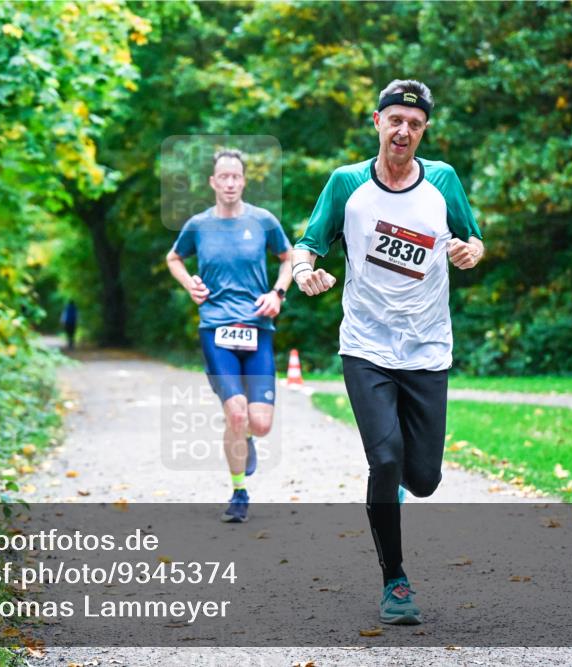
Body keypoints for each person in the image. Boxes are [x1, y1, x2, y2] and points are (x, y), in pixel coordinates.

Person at [292, 79, 484, 624]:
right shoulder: (346, 182)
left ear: (424, 130)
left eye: (415, 123)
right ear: (377, 121)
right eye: (395, 119)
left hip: (427, 348)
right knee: (385, 459)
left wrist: (471, 252)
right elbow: (309, 242)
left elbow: (474, 239)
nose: (403, 130)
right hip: (366, 346)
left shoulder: (442, 180)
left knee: (422, 480)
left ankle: (395, 482)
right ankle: (395, 581)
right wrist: (306, 272)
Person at [166, 149, 292, 523]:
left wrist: (277, 294)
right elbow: (174, 258)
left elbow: (288, 258)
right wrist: (191, 284)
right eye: (224, 177)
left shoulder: (263, 221)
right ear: (213, 182)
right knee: (236, 414)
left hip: (258, 329)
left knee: (261, 424)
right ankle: (239, 490)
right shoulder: (198, 225)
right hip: (215, 328)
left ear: (244, 180)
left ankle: (247, 438)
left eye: (236, 177)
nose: (230, 183)